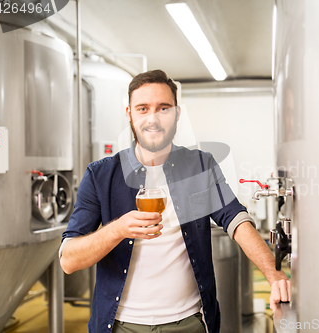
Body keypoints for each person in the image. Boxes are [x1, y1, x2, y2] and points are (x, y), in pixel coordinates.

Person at [60, 69, 291, 333]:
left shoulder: (200, 166)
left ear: (177, 114)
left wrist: (274, 275)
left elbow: (236, 220)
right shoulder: (100, 174)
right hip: (120, 325)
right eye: (143, 108)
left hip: (190, 323)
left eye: (163, 108)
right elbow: (68, 260)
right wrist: (117, 229)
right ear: (130, 115)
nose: (153, 119)